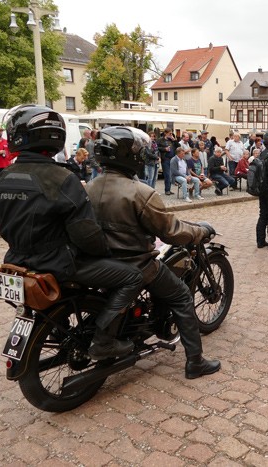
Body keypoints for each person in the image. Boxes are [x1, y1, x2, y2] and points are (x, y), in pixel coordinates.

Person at [0, 104, 143, 361]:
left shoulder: (3, 176)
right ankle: (104, 341)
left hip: (16, 259)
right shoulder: (61, 178)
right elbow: (85, 231)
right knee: (132, 277)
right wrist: (105, 252)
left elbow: (2, 219)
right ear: (54, 136)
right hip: (58, 263)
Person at [88, 126, 220, 379]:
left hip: (102, 264)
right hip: (136, 264)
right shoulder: (141, 192)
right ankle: (195, 362)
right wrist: (199, 231)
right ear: (130, 156)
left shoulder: (90, 187)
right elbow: (170, 231)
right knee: (182, 296)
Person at [157, 128, 177, 195]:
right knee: (167, 175)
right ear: (165, 133)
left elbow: (178, 146)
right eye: (170, 133)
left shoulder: (171, 140)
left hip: (172, 159)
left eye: (171, 133)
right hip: (165, 159)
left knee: (171, 175)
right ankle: (167, 190)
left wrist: (174, 140)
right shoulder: (160, 140)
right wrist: (164, 149)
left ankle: (169, 189)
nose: (171, 135)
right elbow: (157, 148)